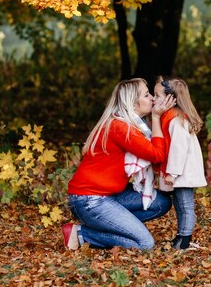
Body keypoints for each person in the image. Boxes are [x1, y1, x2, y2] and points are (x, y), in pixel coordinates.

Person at [62, 78, 175, 251]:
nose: (152, 98)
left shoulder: (133, 125)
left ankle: (116, 226)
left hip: (110, 195)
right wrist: (157, 116)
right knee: (145, 244)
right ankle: (82, 234)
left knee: (161, 202)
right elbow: (157, 155)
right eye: (146, 95)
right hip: (89, 200)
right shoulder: (121, 127)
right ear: (132, 103)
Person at [154, 76, 207, 250]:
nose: (154, 99)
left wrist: (173, 173)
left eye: (157, 95)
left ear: (172, 99)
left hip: (183, 172)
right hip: (180, 172)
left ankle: (184, 241)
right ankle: (180, 237)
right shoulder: (169, 118)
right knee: (180, 205)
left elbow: (178, 149)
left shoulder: (176, 120)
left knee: (185, 205)